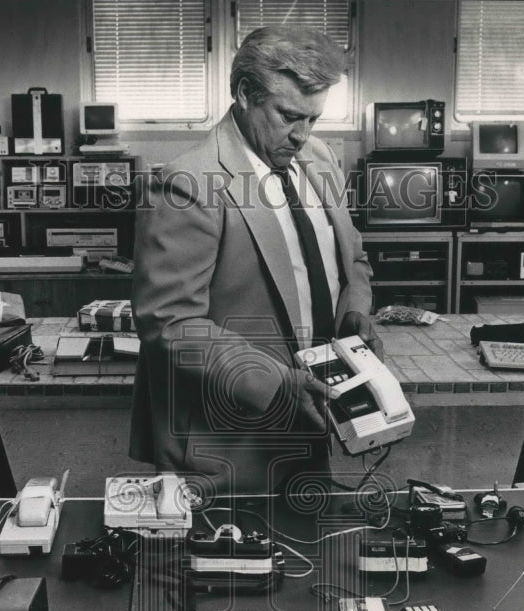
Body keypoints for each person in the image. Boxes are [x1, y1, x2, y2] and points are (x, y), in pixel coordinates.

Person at [129, 25, 382, 496]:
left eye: (314, 118)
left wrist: (354, 311)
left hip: (310, 418)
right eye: (289, 115)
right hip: (226, 440)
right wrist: (279, 383)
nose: (302, 135)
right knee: (226, 568)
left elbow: (354, 258)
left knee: (308, 555)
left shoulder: (320, 159)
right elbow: (169, 323)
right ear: (245, 93)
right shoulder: (188, 183)